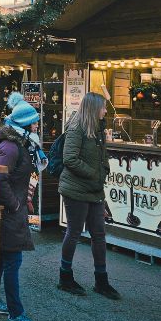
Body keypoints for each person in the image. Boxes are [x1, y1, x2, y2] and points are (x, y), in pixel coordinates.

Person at [58, 90, 120, 299]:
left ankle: (101, 280)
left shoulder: (98, 129)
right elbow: (69, 159)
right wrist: (94, 173)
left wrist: (105, 169)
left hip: (94, 189)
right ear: (94, 108)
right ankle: (65, 276)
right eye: (103, 107)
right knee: (74, 232)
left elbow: (101, 156)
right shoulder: (77, 127)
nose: (105, 110)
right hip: (75, 188)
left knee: (99, 235)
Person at [0, 100, 42, 321]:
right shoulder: (11, 147)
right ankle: (15, 316)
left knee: (3, 262)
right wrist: (14, 204)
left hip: (12, 212)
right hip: (10, 214)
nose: (37, 126)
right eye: (34, 122)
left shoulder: (19, 143)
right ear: (25, 124)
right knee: (12, 263)